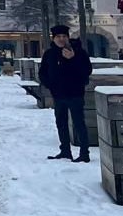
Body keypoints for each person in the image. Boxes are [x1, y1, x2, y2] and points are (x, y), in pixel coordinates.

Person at [39, 25, 93, 164]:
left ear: (68, 37)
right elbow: (43, 72)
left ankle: (84, 153)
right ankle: (65, 151)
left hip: (75, 94)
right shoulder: (49, 54)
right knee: (61, 123)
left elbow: (86, 70)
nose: (61, 39)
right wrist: (50, 85)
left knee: (79, 123)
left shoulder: (79, 52)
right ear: (54, 38)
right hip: (58, 95)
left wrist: (73, 59)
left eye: (64, 36)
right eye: (58, 37)